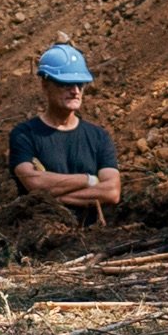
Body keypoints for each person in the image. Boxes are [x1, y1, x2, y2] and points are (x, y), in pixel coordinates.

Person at [7, 44, 120, 217]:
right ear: (45, 86)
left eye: (79, 84)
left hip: (93, 237)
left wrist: (54, 199)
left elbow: (111, 191)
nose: (75, 91)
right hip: (41, 235)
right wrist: (89, 180)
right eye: (65, 84)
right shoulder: (24, 134)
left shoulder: (99, 137)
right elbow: (33, 182)